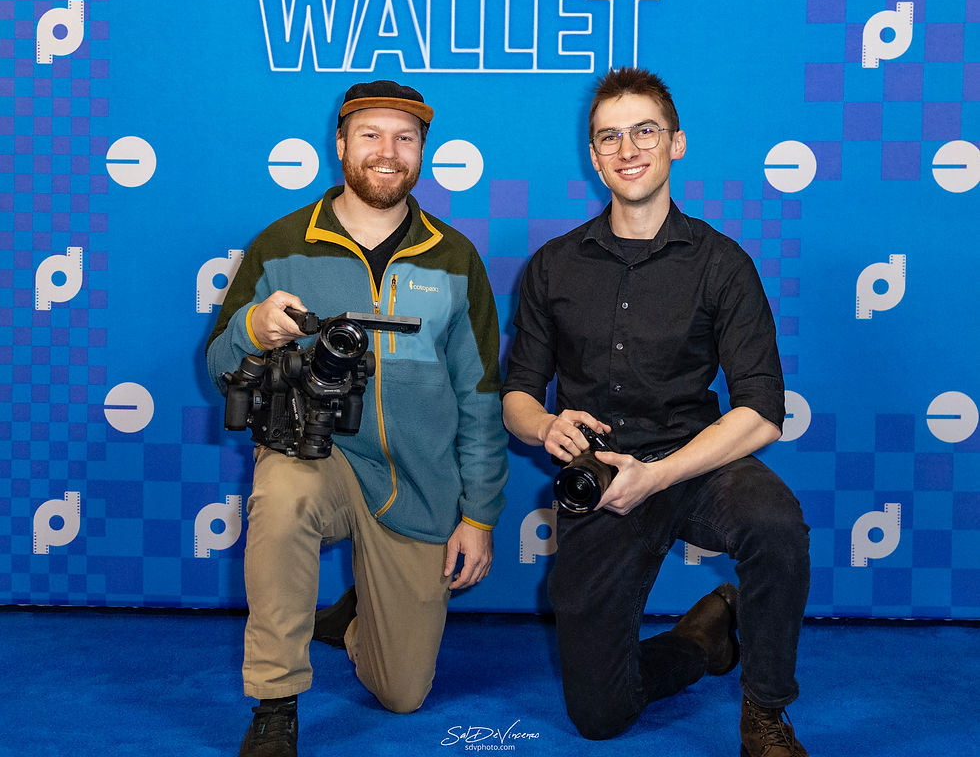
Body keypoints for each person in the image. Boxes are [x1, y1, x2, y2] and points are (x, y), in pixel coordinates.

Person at [501, 67, 810, 756]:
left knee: (776, 523)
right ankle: (702, 639)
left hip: (697, 463)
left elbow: (763, 411)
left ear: (676, 143)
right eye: (609, 136)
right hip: (600, 480)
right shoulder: (553, 266)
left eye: (645, 130)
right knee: (600, 716)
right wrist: (545, 425)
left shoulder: (723, 263)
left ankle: (766, 713)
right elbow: (517, 395)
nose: (628, 148)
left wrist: (661, 473)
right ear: (593, 156)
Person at [206, 79, 509, 757]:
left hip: (419, 482)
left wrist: (480, 516)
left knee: (402, 692)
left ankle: (351, 620)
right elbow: (220, 365)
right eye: (370, 134)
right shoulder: (281, 243)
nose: (387, 151)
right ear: (340, 145)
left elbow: (481, 396)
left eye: (405, 138)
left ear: (422, 153)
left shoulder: (454, 256)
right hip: (321, 456)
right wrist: (253, 327)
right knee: (282, 498)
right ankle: (276, 703)